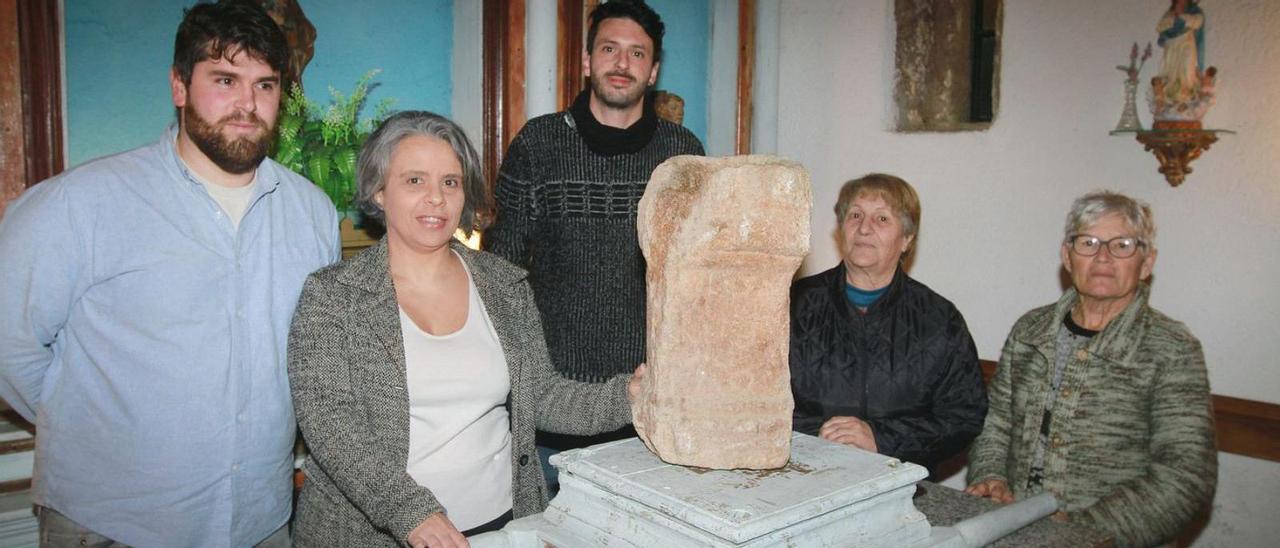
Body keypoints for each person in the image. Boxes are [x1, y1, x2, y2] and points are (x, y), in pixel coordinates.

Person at [0, 1, 339, 545]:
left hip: (260, 521)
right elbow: (10, 349)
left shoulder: (312, 211)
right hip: (113, 522)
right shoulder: (77, 204)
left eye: (265, 85)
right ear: (179, 85)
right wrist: (99, 431)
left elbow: (313, 351)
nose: (247, 104)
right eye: (225, 79)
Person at [288, 111, 643, 548]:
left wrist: (628, 396)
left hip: (501, 523)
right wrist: (411, 512)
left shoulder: (504, 285)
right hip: (376, 533)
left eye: (450, 182)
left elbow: (544, 397)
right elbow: (332, 425)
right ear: (379, 191)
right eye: (414, 181)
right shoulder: (333, 296)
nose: (436, 198)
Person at [483, 0, 703, 485]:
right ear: (587, 61)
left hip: (648, 405)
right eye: (609, 49)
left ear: (654, 70)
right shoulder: (539, 145)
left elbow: (697, 285)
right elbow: (500, 272)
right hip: (552, 408)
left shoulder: (682, 154)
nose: (622, 64)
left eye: (637, 54)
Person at [965, 191, 1216, 547]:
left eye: (1122, 245)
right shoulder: (1031, 330)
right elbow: (996, 424)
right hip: (1013, 533)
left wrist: (1087, 530)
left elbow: (1186, 475)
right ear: (1067, 257)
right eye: (1088, 242)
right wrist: (990, 477)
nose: (1102, 257)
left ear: (1146, 263)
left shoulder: (1171, 347)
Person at [789, 174, 986, 473]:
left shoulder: (939, 319)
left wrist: (879, 438)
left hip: (901, 483)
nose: (864, 228)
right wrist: (823, 434)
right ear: (841, 229)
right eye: (855, 215)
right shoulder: (793, 305)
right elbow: (754, 398)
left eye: (882, 219)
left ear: (907, 239)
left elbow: (964, 415)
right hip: (801, 474)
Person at [1155, 0, 1206, 105]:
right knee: (1172, 73)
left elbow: (1198, 21)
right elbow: (1161, 27)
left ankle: (1186, 96)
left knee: (1187, 68)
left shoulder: (1194, 10)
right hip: (1173, 47)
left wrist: (1182, 16)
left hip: (1187, 42)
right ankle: (1173, 97)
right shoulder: (1170, 13)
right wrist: (1174, 18)